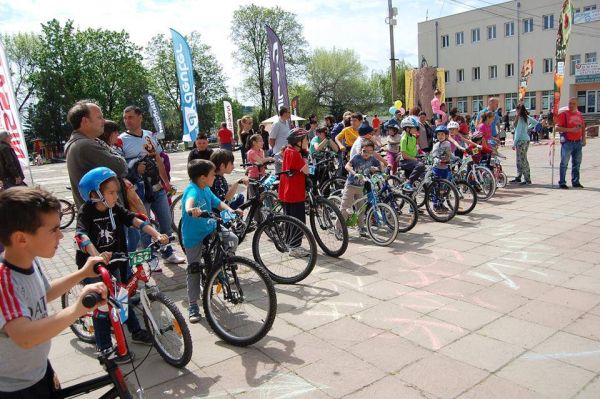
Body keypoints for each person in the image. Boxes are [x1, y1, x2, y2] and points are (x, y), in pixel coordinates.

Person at [0, 186, 107, 397]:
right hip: (16, 388)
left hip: (38, 371)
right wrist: (77, 309)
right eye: (53, 230)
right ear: (21, 239)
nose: (60, 236)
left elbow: (45, 293)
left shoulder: (31, 261)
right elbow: (25, 337)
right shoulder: (5, 281)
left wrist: (82, 273)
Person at [75, 167, 169, 356]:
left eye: (116, 192)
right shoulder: (86, 212)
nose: (115, 196)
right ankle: (104, 347)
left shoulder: (115, 208)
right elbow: (81, 236)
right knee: (102, 306)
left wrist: (157, 234)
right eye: (110, 193)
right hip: (94, 268)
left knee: (121, 297)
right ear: (94, 194)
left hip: (116, 260)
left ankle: (135, 331)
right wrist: (96, 256)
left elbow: (134, 220)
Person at [119, 105, 184, 264]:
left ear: (140, 117)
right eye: (125, 118)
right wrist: (134, 167)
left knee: (166, 221)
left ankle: (167, 252)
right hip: (138, 190)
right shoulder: (121, 140)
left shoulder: (149, 135)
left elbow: (159, 158)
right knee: (144, 225)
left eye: (131, 117)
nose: (127, 121)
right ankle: (150, 258)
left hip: (157, 186)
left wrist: (166, 181)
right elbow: (119, 167)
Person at [180, 160, 241, 322]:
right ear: (202, 177)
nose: (215, 177)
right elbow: (189, 203)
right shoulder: (192, 190)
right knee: (193, 269)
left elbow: (218, 203)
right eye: (212, 175)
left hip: (210, 227)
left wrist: (231, 210)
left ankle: (218, 268)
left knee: (232, 239)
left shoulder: (206, 188)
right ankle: (193, 304)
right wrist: (190, 210)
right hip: (194, 235)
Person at [65, 100, 128, 209]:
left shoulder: (78, 142)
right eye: (99, 117)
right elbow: (121, 167)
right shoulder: (85, 145)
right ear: (85, 121)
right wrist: (111, 151)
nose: (104, 121)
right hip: (104, 217)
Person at [340, 139, 383, 237]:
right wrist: (355, 173)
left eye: (370, 152)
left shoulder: (372, 159)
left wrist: (381, 171)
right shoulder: (356, 157)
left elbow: (380, 165)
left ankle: (361, 227)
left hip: (360, 187)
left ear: (372, 152)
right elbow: (347, 166)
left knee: (361, 209)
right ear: (360, 150)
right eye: (364, 151)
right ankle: (338, 228)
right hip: (351, 186)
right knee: (345, 208)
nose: (366, 154)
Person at [278, 128, 310, 257]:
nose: (307, 141)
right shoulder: (295, 154)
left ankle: (289, 243)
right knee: (299, 220)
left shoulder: (288, 151)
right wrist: (306, 159)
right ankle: (295, 247)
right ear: (298, 141)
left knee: (290, 220)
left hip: (287, 192)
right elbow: (306, 170)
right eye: (305, 139)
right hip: (295, 192)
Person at [555, 97, 586, 189]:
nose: (571, 105)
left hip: (578, 142)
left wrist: (584, 138)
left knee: (577, 163)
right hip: (568, 142)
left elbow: (583, 127)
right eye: (570, 103)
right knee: (564, 163)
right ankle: (562, 182)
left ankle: (576, 181)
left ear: (577, 105)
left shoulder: (579, 114)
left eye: (573, 104)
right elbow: (557, 128)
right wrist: (570, 130)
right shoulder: (564, 114)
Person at [510, 104, 537, 185]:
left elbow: (517, 133)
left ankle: (527, 179)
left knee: (522, 160)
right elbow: (535, 122)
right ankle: (519, 177)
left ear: (518, 111)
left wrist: (514, 144)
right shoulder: (526, 117)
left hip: (521, 141)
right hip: (526, 140)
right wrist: (527, 128)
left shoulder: (520, 119)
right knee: (520, 159)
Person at [399, 117, 426, 191]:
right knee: (420, 165)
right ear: (407, 129)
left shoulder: (413, 137)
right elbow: (404, 155)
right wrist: (415, 159)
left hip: (412, 160)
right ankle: (408, 183)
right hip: (405, 161)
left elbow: (417, 149)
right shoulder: (404, 139)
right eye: (414, 128)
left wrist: (423, 154)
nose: (416, 129)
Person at [268, 108, 291, 174]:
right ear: (284, 113)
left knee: (285, 172)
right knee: (279, 174)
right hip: (279, 153)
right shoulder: (277, 123)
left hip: (285, 152)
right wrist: (275, 149)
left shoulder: (286, 122)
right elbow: (271, 139)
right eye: (288, 112)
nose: (290, 114)